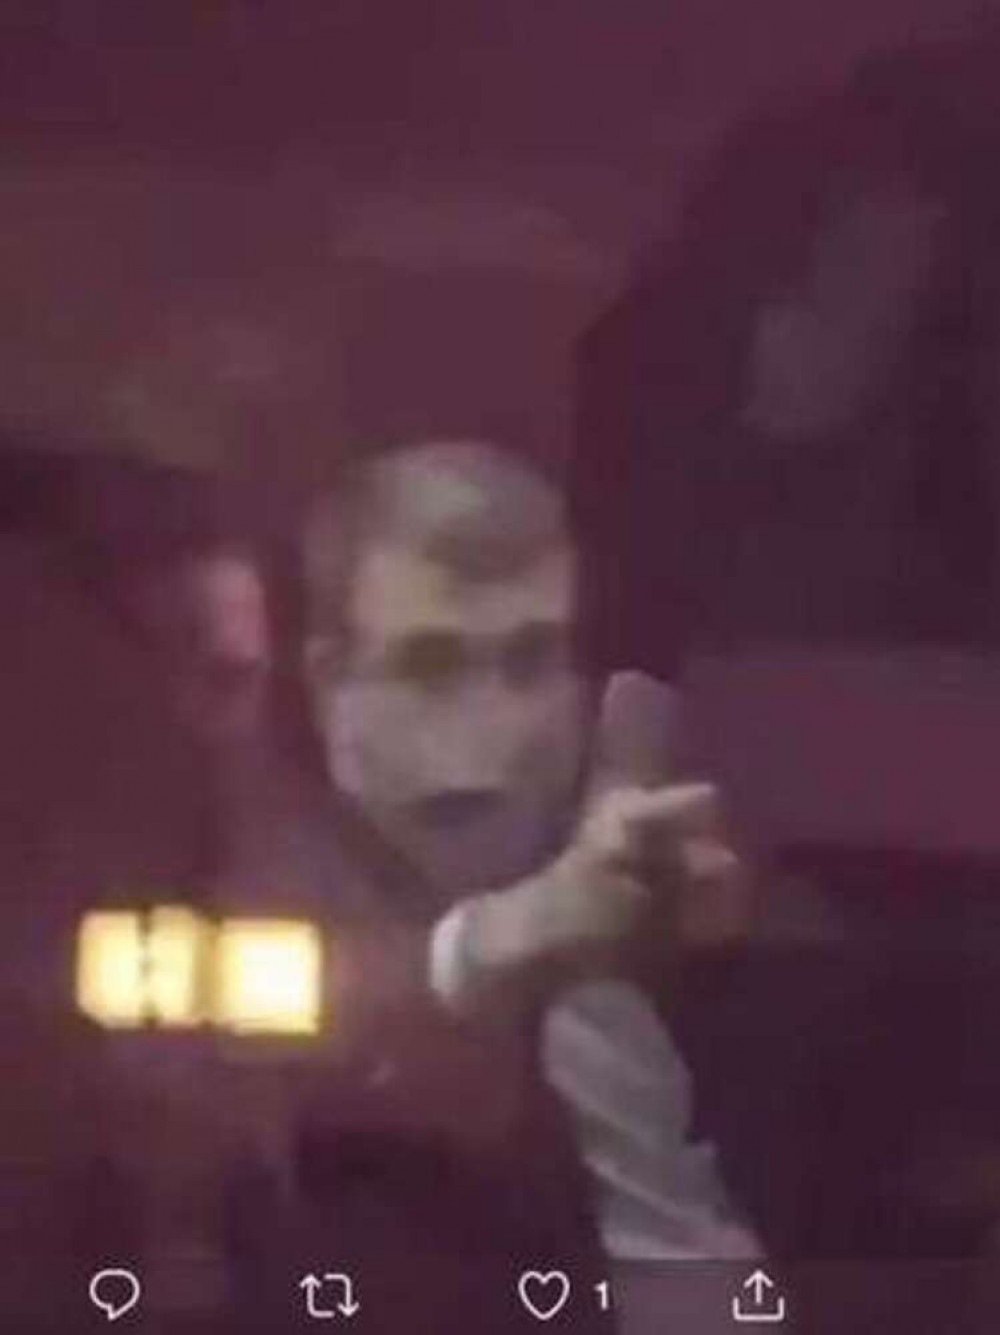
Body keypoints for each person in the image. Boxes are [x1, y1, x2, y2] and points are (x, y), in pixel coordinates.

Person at [299, 438, 760, 1277]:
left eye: (532, 658)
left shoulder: (642, 884)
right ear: (330, 682)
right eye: (429, 665)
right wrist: (516, 936)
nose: (494, 723)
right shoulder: (255, 870)